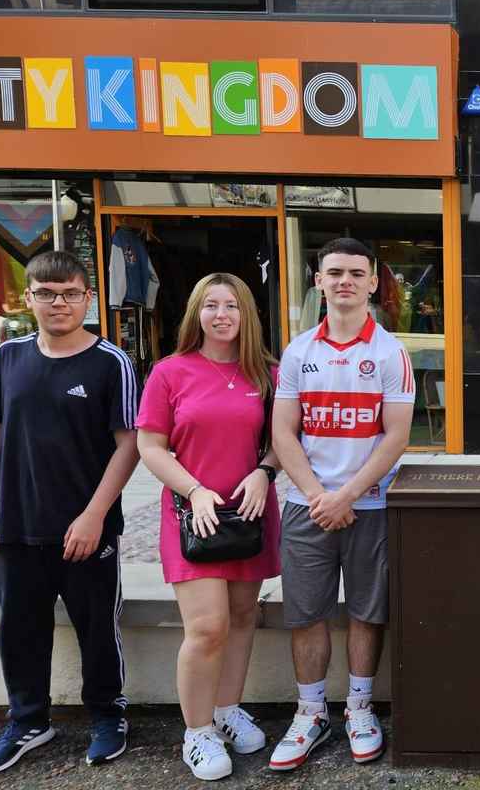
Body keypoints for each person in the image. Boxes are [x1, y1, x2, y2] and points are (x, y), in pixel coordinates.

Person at [0, 251, 139, 775]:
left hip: (85, 529)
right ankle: (28, 722)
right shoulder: (9, 357)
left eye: (69, 293)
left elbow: (128, 446)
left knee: (96, 628)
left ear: (88, 299)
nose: (58, 302)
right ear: (30, 300)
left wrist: (93, 516)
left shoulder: (111, 362)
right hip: (15, 523)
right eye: (46, 293)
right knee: (19, 629)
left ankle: (108, 716)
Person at [269, 238, 416, 772]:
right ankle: (310, 713)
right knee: (306, 612)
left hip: (370, 505)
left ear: (374, 282)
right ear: (319, 280)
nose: (345, 281)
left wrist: (348, 495)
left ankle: (358, 707)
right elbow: (283, 432)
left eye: (357, 272)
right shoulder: (298, 350)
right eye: (335, 272)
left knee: (366, 609)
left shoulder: (390, 352)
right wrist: (318, 497)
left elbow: (395, 437)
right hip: (307, 504)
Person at [136, 273, 283, 781]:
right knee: (207, 627)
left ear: (247, 314)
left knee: (243, 618)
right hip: (192, 516)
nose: (222, 315)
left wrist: (266, 472)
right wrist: (194, 489)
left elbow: (281, 441)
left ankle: (227, 710)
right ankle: (196, 732)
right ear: (195, 313)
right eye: (211, 305)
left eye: (232, 306)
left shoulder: (267, 374)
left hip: (247, 513)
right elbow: (150, 447)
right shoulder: (170, 372)